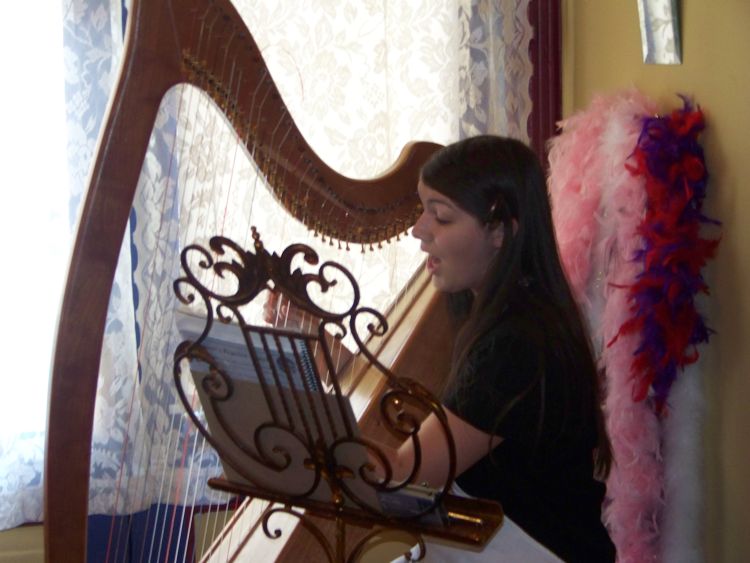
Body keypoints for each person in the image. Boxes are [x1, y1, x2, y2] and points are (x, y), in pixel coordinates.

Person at [388, 135, 615, 562]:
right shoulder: (514, 312)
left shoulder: (517, 345)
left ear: (499, 232)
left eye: (441, 217)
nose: (419, 230)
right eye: (424, 211)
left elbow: (408, 476)